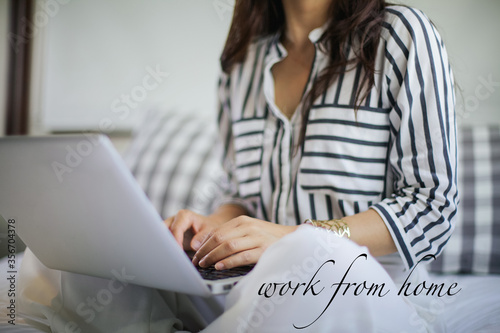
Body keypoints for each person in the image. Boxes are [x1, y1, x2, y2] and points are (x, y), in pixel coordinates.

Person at [164, 0, 458, 331]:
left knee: (320, 261)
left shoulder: (400, 35)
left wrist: (296, 238)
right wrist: (211, 227)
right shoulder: (242, 61)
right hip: (263, 289)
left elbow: (432, 205)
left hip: (374, 291)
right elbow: (243, 194)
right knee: (141, 280)